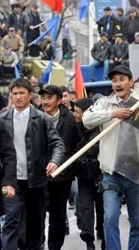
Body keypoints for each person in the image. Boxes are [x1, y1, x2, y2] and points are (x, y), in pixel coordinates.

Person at [82, 65, 139, 249]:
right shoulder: (105, 103)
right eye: (114, 80)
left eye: (122, 79)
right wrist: (113, 114)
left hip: (138, 172)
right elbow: (86, 119)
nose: (118, 84)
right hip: (111, 170)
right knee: (110, 218)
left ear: (131, 83)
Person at [1, 78, 65, 250]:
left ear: (30, 95)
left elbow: (57, 143)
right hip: (11, 181)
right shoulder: (3, 119)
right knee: (12, 219)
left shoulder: (42, 119)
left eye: (22, 93)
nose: (18, 97)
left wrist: (54, 161)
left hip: (36, 179)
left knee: (35, 224)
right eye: (14, 93)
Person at [39, 84, 80, 250]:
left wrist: (68, 164)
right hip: (39, 176)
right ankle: (38, 243)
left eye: (49, 98)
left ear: (58, 100)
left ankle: (54, 247)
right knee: (37, 213)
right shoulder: (36, 117)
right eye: (43, 98)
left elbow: (78, 143)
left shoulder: (70, 119)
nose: (45, 101)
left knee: (57, 216)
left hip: (62, 176)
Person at [73, 98, 105, 250]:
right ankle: (89, 240)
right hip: (83, 177)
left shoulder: (100, 128)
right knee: (85, 207)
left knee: (103, 209)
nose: (75, 115)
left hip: (100, 176)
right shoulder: (74, 127)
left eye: (77, 112)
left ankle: (105, 238)